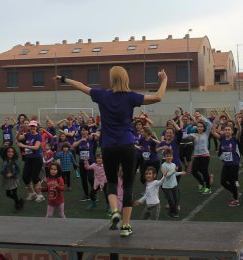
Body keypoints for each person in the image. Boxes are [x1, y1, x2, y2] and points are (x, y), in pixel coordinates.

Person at [56, 66, 167, 237]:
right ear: (126, 78)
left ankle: (115, 210)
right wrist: (164, 79)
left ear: (111, 78)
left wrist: (63, 78)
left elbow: (80, 85)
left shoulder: (102, 95)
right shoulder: (131, 97)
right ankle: (125, 226)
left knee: (112, 182)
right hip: (127, 145)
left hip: (108, 146)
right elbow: (158, 97)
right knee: (129, 184)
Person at [184, 114, 213, 194]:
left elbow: (209, 124)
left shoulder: (206, 134)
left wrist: (201, 116)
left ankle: (208, 188)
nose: (200, 128)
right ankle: (201, 183)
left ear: (204, 128)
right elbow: (184, 135)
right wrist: (191, 125)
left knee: (204, 171)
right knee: (194, 171)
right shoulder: (193, 135)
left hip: (205, 155)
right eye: (198, 126)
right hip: (196, 155)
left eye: (201, 127)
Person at [17, 120, 45, 203]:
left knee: (35, 177)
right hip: (29, 159)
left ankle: (40, 195)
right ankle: (33, 193)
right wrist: (19, 132)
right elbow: (18, 138)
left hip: (36, 159)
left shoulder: (38, 136)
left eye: (34, 126)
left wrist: (24, 145)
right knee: (25, 177)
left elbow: (36, 147)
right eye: (31, 126)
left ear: (36, 127)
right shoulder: (27, 135)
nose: (32, 128)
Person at [213, 125, 241, 206]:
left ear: (232, 131)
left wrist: (238, 124)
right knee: (223, 181)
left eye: (229, 129)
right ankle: (234, 192)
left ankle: (236, 200)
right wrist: (215, 121)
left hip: (234, 164)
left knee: (232, 182)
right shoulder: (222, 139)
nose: (227, 131)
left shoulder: (234, 139)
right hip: (226, 164)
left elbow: (239, 131)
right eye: (225, 130)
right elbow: (213, 132)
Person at [160, 149, 186, 216]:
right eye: (167, 156)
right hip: (167, 186)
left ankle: (175, 213)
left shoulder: (173, 164)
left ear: (172, 156)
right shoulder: (163, 165)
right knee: (171, 201)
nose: (169, 157)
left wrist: (181, 173)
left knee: (176, 199)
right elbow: (167, 176)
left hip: (174, 185)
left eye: (170, 156)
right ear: (164, 157)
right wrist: (174, 171)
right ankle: (171, 212)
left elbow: (174, 174)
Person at [0, 146, 23, 211]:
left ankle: (17, 206)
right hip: (6, 179)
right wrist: (3, 145)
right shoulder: (5, 160)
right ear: (6, 153)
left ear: (14, 153)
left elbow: (18, 171)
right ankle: (19, 201)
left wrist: (12, 174)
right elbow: (2, 171)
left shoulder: (15, 161)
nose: (10, 153)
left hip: (13, 179)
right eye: (8, 152)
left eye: (12, 152)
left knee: (14, 193)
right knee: (8, 194)